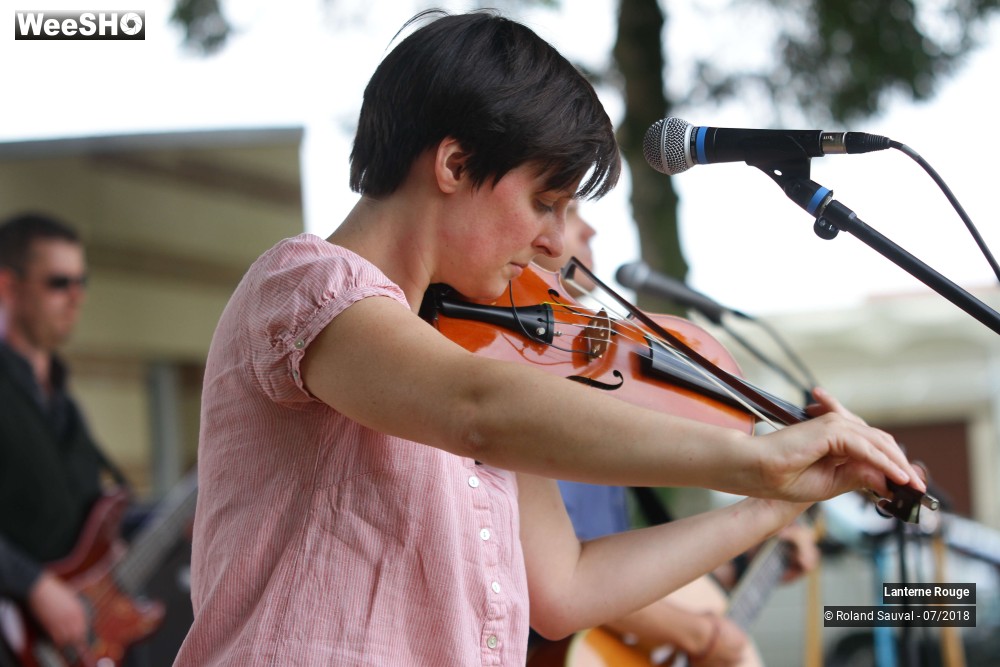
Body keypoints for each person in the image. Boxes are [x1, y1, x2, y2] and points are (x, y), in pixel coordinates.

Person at [173, 10, 923, 666]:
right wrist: (755, 457)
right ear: (455, 162)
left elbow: (565, 589)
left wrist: (781, 498)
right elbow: (478, 410)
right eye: (545, 200)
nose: (556, 244)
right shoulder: (307, 284)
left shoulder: (470, 348)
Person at [529, 201, 821, 666]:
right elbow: (553, 580)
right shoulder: (535, 386)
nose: (590, 230)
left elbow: (611, 565)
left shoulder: (589, 379)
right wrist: (701, 635)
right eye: (557, 205)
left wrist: (743, 562)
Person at [0, 212, 113, 653]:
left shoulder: (63, 400)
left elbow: (91, 517)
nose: (77, 297)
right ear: (8, 286)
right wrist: (35, 585)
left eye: (82, 281)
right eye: (59, 283)